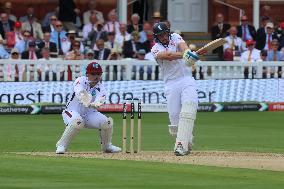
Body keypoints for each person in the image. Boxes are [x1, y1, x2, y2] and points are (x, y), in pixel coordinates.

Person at [151, 22, 205, 156]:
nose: (164, 37)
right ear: (156, 37)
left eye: (164, 33)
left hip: (186, 79)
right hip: (171, 84)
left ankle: (180, 145)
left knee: (189, 106)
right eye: (160, 35)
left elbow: (184, 48)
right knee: (174, 121)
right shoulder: (155, 49)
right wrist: (186, 55)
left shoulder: (175, 37)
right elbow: (168, 56)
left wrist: (189, 54)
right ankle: (187, 140)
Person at [56, 62, 121, 154]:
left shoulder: (100, 87)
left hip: (89, 114)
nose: (96, 77)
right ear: (87, 74)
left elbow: (101, 98)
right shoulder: (80, 80)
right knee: (77, 122)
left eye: (99, 74)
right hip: (71, 111)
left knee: (107, 122)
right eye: (93, 74)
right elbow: (80, 92)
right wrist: (85, 98)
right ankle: (61, 145)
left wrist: (97, 103)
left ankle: (107, 146)